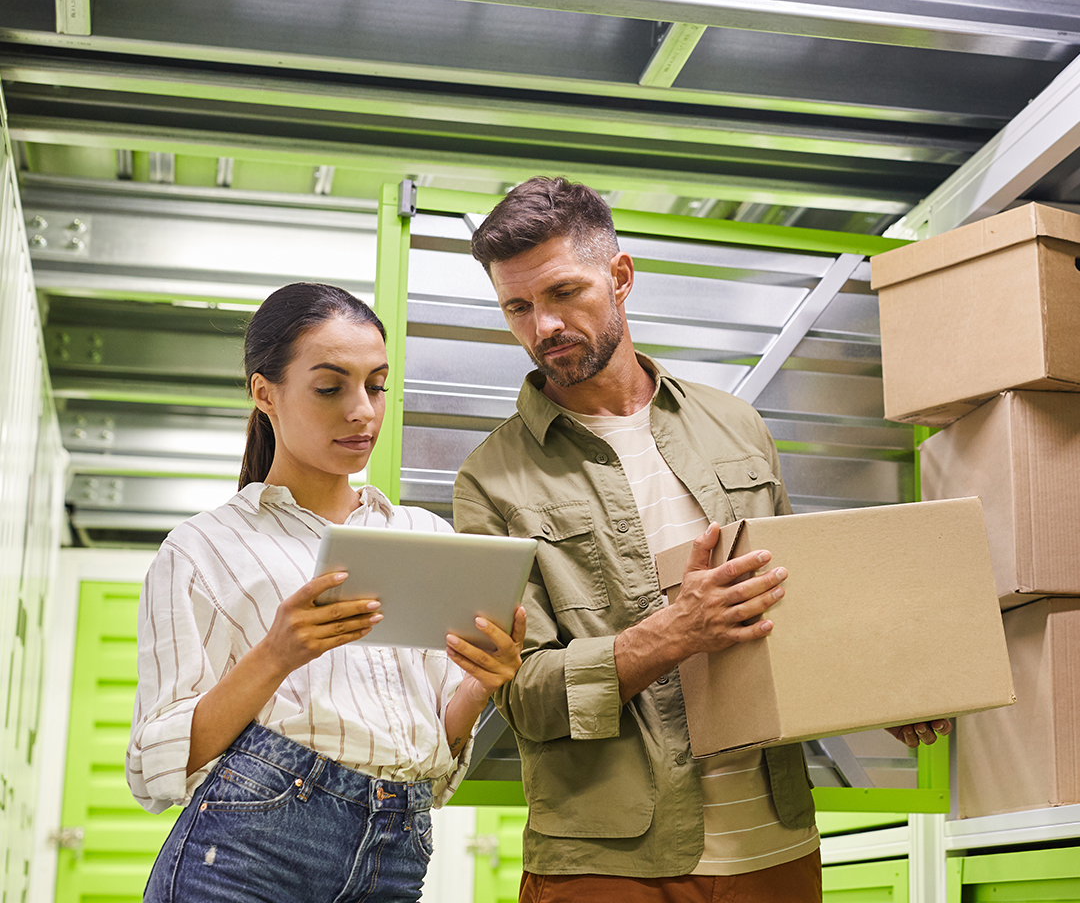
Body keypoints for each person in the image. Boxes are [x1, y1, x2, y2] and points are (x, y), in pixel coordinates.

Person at [452, 177, 950, 903]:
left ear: (620, 277)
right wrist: (674, 633)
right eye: (518, 307)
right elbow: (523, 695)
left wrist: (880, 686)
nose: (543, 327)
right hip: (606, 861)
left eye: (563, 293)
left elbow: (788, 606)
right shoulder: (490, 480)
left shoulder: (735, 426)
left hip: (773, 845)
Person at [127, 282, 526, 903]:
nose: (363, 410)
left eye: (377, 385)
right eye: (330, 387)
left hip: (394, 853)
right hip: (249, 853)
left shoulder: (425, 537)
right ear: (266, 394)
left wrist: (483, 681)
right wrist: (277, 654)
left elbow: (437, 746)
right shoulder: (203, 550)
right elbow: (154, 765)